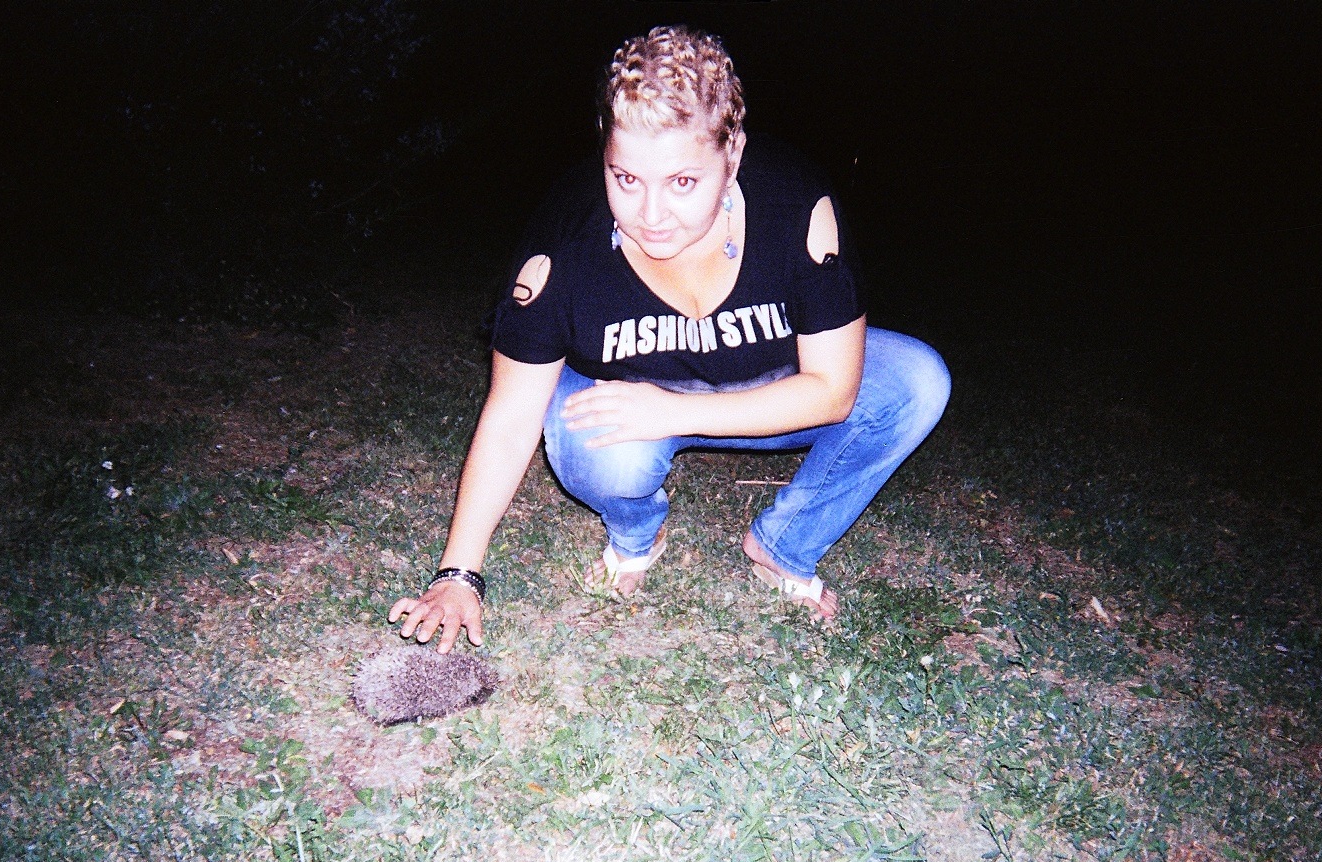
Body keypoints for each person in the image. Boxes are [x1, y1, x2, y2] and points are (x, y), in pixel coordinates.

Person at [389, 25, 949, 652]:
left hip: (772, 387)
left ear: (732, 155)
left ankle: (784, 546)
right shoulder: (565, 238)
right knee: (590, 447)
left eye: (682, 182)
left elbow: (834, 392)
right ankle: (637, 534)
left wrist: (674, 411)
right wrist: (458, 574)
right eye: (626, 179)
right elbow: (512, 412)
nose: (650, 215)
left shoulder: (795, 205)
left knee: (916, 383)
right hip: (631, 402)